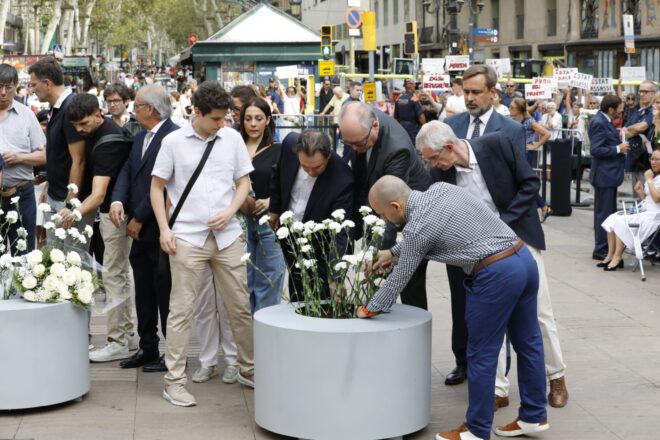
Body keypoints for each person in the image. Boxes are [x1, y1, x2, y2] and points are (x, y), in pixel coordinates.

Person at [359, 175, 548, 440]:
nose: (384, 220)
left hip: (495, 273)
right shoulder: (441, 189)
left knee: (481, 354)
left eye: (382, 214)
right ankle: (534, 415)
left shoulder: (416, 228)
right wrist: (392, 252)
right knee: (529, 342)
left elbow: (400, 277)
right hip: (522, 258)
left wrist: (368, 309)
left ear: (396, 207)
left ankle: (476, 429)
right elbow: (420, 240)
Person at [420, 120, 569, 411]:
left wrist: (502, 223)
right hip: (482, 252)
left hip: (520, 235)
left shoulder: (497, 144)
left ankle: (557, 376)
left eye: (434, 158)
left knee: (540, 313)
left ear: (449, 147)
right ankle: (498, 390)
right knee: (491, 320)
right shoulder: (440, 173)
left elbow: (529, 184)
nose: (433, 165)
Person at [151, 81, 254, 407]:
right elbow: (157, 188)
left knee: (239, 306)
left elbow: (243, 183)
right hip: (187, 237)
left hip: (227, 236)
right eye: (215, 118)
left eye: (225, 118)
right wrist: (164, 229)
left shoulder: (233, 138)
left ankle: (248, 369)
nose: (222, 123)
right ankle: (174, 381)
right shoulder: (173, 142)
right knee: (181, 311)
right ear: (197, 112)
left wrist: (230, 211)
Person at [442, 64, 526, 386]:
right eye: (466, 92)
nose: (470, 98)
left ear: (494, 93)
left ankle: (495, 373)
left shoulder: (511, 130)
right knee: (459, 300)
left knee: (495, 305)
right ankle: (462, 361)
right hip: (458, 235)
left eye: (477, 92)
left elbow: (522, 185)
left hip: (498, 235)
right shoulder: (451, 125)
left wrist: (505, 225)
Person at [109, 84, 178, 372]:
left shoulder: (174, 136)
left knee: (165, 293)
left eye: (136, 106)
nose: (132, 110)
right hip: (138, 230)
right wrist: (117, 200)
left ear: (150, 109)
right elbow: (128, 170)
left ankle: (171, 352)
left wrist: (139, 217)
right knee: (144, 293)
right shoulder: (140, 136)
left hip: (159, 228)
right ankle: (147, 346)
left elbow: (164, 186)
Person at [339, 101, 432, 310]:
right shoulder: (358, 125)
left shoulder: (396, 149)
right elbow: (360, 178)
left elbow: (391, 211)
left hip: (409, 211)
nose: (354, 149)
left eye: (359, 143)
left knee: (408, 276)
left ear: (375, 126)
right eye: (348, 143)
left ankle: (413, 323)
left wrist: (375, 253)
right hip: (379, 201)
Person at [269, 130, 354, 301]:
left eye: (316, 167)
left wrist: (336, 278)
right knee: (296, 290)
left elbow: (342, 232)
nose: (310, 172)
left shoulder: (343, 177)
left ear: (328, 156)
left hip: (319, 245)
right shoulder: (289, 144)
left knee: (320, 297)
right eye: (304, 166)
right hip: (290, 234)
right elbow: (277, 174)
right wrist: (274, 209)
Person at [238, 97, 286, 312]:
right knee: (242, 284)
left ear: (268, 120)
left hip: (269, 223)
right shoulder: (232, 147)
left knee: (269, 282)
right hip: (238, 223)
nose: (253, 124)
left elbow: (289, 184)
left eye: (259, 118)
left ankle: (266, 337)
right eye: (248, 118)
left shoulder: (278, 150)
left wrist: (271, 201)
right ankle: (247, 340)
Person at [28, 57, 86, 222]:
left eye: (34, 85)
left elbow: (79, 161)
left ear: (47, 83)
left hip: (66, 202)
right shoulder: (55, 109)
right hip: (54, 194)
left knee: (69, 248)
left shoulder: (71, 108)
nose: (32, 90)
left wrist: (70, 205)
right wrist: (49, 185)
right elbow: (58, 154)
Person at [0, 64, 46, 253]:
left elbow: (43, 156)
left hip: (21, 193)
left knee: (24, 255)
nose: (3, 92)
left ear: (16, 86)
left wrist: (19, 158)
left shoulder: (27, 115)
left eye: (8, 87)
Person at [598, 149, 660, 270]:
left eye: (657, 159)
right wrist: (641, 192)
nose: (653, 162)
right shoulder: (653, 175)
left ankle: (618, 256)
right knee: (613, 218)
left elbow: (657, 198)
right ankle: (611, 255)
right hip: (644, 210)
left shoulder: (651, 177)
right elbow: (649, 199)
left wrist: (649, 180)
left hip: (654, 216)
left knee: (622, 221)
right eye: (652, 159)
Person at [589, 94, 630, 261]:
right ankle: (601, 248)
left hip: (608, 175)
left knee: (606, 213)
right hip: (605, 175)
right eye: (619, 110)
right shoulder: (599, 122)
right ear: (611, 109)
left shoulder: (603, 120)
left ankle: (605, 246)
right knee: (604, 214)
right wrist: (618, 149)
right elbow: (596, 150)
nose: (621, 113)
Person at [509, 98, 553, 222]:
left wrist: (535, 145)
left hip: (526, 154)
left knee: (524, 183)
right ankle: (542, 207)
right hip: (515, 153)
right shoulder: (511, 120)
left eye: (512, 107)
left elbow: (547, 134)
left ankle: (541, 206)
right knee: (521, 183)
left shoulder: (529, 121)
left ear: (519, 109)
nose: (509, 109)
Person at [622, 81, 657, 192]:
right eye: (640, 91)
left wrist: (632, 129)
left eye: (645, 91)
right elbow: (624, 131)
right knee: (637, 194)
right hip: (635, 159)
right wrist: (632, 130)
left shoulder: (654, 111)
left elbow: (641, 127)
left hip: (648, 161)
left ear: (653, 93)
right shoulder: (638, 111)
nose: (642, 94)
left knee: (648, 196)